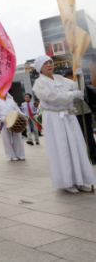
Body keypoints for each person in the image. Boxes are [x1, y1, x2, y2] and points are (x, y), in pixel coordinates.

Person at [32, 56, 96, 192]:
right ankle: (67, 182)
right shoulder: (39, 83)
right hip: (54, 118)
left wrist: (80, 76)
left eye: (51, 62)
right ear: (39, 67)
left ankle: (80, 180)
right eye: (46, 63)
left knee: (77, 146)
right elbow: (52, 98)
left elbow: (78, 88)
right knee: (62, 148)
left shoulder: (61, 79)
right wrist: (72, 95)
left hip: (69, 116)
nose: (50, 65)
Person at [63, 69, 96, 164]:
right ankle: (84, 155)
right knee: (77, 136)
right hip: (73, 113)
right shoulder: (66, 86)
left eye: (68, 77)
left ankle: (93, 155)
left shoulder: (78, 84)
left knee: (87, 134)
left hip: (82, 112)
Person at [0, 93, 25, 161]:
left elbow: (17, 110)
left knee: (18, 138)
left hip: (14, 120)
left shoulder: (11, 100)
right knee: (6, 139)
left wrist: (23, 116)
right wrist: (1, 120)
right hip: (4, 121)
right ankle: (12, 155)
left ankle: (20, 154)